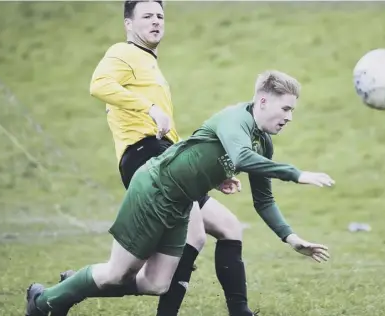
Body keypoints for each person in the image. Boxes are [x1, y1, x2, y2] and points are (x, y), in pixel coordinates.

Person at [24, 69, 334, 316]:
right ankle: (42, 302)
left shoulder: (263, 143)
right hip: (154, 189)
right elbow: (238, 157)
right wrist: (296, 174)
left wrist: (292, 239)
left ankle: (73, 285)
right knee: (116, 274)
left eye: (292, 110)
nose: (289, 117)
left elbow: (263, 200)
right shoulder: (234, 118)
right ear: (263, 101)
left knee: (157, 283)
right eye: (286, 108)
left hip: (179, 203)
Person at [52, 1, 285, 315]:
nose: (156, 21)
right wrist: (148, 108)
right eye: (147, 16)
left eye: (160, 16)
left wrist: (214, 175)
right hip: (143, 157)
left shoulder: (149, 64)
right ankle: (69, 289)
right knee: (190, 239)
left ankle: (73, 286)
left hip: (164, 158)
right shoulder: (124, 53)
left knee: (226, 229)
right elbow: (99, 84)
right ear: (128, 24)